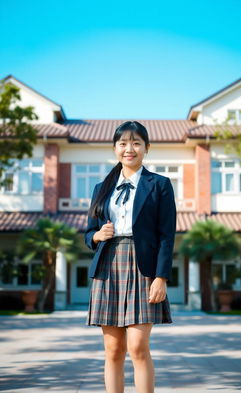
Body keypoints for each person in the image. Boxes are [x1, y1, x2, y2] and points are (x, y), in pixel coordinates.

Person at [84, 120, 176, 393]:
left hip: (143, 267)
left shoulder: (159, 184)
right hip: (108, 267)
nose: (129, 148)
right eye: (123, 143)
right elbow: (88, 232)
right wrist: (97, 236)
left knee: (138, 347)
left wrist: (161, 276)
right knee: (113, 349)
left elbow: (166, 235)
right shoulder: (101, 187)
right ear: (114, 148)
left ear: (147, 148)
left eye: (136, 143)